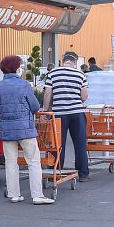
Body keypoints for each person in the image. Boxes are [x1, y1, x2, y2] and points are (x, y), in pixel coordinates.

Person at [0, 55, 54, 205]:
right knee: (33, 161)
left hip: (7, 129)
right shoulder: (25, 85)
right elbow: (34, 106)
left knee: (10, 162)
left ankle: (14, 194)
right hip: (25, 128)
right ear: (17, 68)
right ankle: (37, 195)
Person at [43, 51, 91, 182]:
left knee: (57, 144)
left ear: (62, 60)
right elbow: (84, 97)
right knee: (80, 143)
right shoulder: (80, 74)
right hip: (77, 113)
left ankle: (55, 171)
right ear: (75, 62)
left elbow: (48, 94)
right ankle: (83, 174)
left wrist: (45, 110)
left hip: (59, 114)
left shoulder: (52, 73)